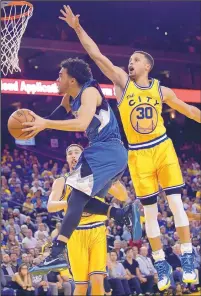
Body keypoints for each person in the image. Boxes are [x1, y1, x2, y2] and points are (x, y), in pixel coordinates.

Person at [57, 4, 201, 291]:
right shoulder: (122, 84)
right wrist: (76, 27)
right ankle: (160, 262)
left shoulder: (162, 90)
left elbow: (189, 110)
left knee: (175, 203)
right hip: (137, 152)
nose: (130, 64)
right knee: (149, 211)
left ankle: (188, 256)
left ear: (147, 66)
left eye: (135, 60)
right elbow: (96, 55)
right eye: (130, 60)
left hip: (162, 146)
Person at [23, 57, 133, 275]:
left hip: (106, 150)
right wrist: (40, 125)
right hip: (108, 153)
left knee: (75, 198)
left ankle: (56, 254)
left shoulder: (90, 92)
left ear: (72, 79)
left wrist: (45, 123)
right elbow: (60, 112)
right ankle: (119, 214)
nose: (57, 79)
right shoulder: (70, 96)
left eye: (60, 75)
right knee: (81, 201)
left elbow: (82, 123)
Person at [48, 143, 129, 296]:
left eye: (76, 152)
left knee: (98, 280)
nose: (73, 155)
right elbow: (50, 206)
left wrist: (114, 176)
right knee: (81, 286)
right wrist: (75, 203)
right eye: (69, 153)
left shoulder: (98, 177)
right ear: (66, 159)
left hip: (97, 230)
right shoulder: (61, 181)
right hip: (75, 235)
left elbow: (123, 196)